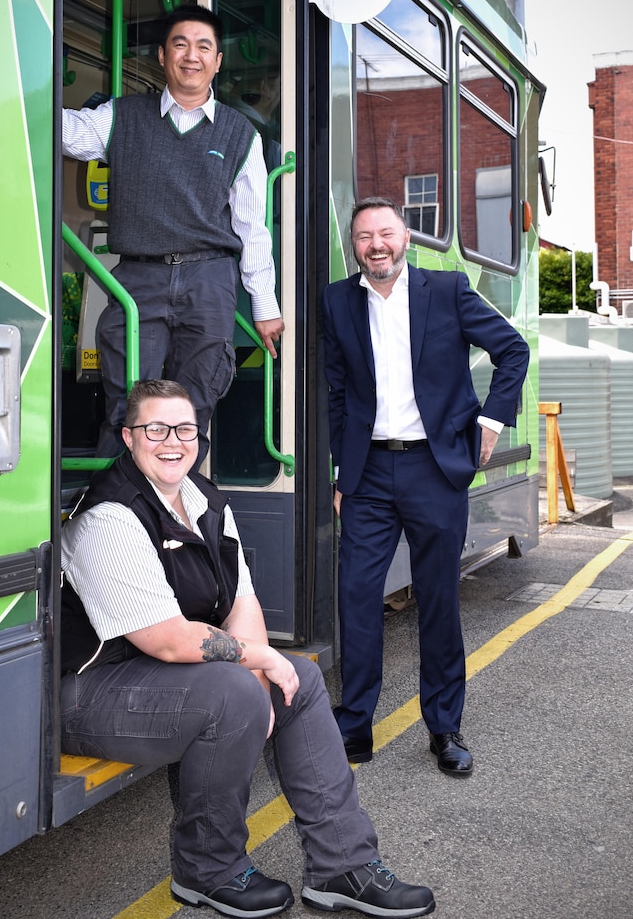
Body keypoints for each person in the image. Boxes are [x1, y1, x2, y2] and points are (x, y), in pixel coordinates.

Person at [60, 379, 435, 919]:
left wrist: (262, 673)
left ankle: (343, 867)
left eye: (185, 428)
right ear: (128, 436)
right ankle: (206, 871)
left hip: (162, 679)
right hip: (91, 692)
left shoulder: (206, 501)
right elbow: (167, 640)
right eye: (155, 429)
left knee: (298, 680)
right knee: (240, 686)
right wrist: (256, 665)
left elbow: (242, 603)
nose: (173, 441)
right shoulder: (110, 516)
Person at [322, 198, 530, 776]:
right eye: (364, 236)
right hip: (368, 476)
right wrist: (343, 472)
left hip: (435, 471)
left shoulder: (447, 290)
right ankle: (355, 725)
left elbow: (513, 349)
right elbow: (337, 394)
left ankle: (444, 728)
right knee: (357, 599)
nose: (375, 245)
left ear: (405, 236)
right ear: (355, 246)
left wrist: (490, 422)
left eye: (385, 233)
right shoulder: (338, 301)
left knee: (438, 599)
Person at [62, 5, 284, 459]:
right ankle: (118, 518)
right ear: (162, 56)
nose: (191, 56)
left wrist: (264, 306)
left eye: (204, 47)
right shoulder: (121, 116)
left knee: (193, 409)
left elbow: (251, 227)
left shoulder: (242, 134)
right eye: (180, 44)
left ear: (217, 61)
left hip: (209, 281)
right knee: (129, 407)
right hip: (139, 278)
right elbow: (69, 134)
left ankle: (180, 518)